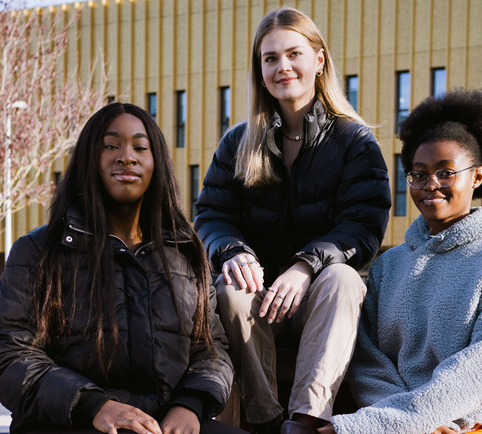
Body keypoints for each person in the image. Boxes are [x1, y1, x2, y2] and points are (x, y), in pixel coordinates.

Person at [0, 103, 245, 434]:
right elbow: (8, 356)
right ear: (88, 160)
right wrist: (93, 406)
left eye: (140, 146)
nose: (127, 157)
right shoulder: (39, 252)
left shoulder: (186, 253)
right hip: (68, 423)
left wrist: (189, 405)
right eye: (110, 146)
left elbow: (210, 350)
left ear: (156, 163)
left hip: (164, 424)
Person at [194, 6, 391, 434]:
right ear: (260, 70)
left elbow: (365, 223)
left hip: (320, 304)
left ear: (318, 61)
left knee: (342, 279)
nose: (283, 66)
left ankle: (304, 422)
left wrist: (306, 266)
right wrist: (232, 252)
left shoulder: (354, 141)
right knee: (230, 290)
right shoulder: (237, 144)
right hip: (257, 303)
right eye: (270, 58)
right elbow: (211, 213)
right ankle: (265, 420)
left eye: (294, 54)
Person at [325, 89, 482, 434]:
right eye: (419, 174)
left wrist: (417, 419)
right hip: (397, 420)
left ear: (478, 177)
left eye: (446, 172)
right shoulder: (388, 265)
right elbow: (368, 362)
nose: (430, 185)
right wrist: (410, 422)